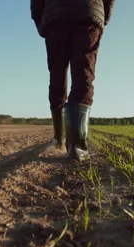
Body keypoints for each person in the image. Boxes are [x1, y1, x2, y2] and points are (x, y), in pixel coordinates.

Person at [31, 0, 115, 162]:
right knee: (84, 75)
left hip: (55, 17)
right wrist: (101, 17)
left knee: (57, 75)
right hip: (88, 14)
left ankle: (59, 140)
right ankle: (76, 147)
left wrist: (41, 22)